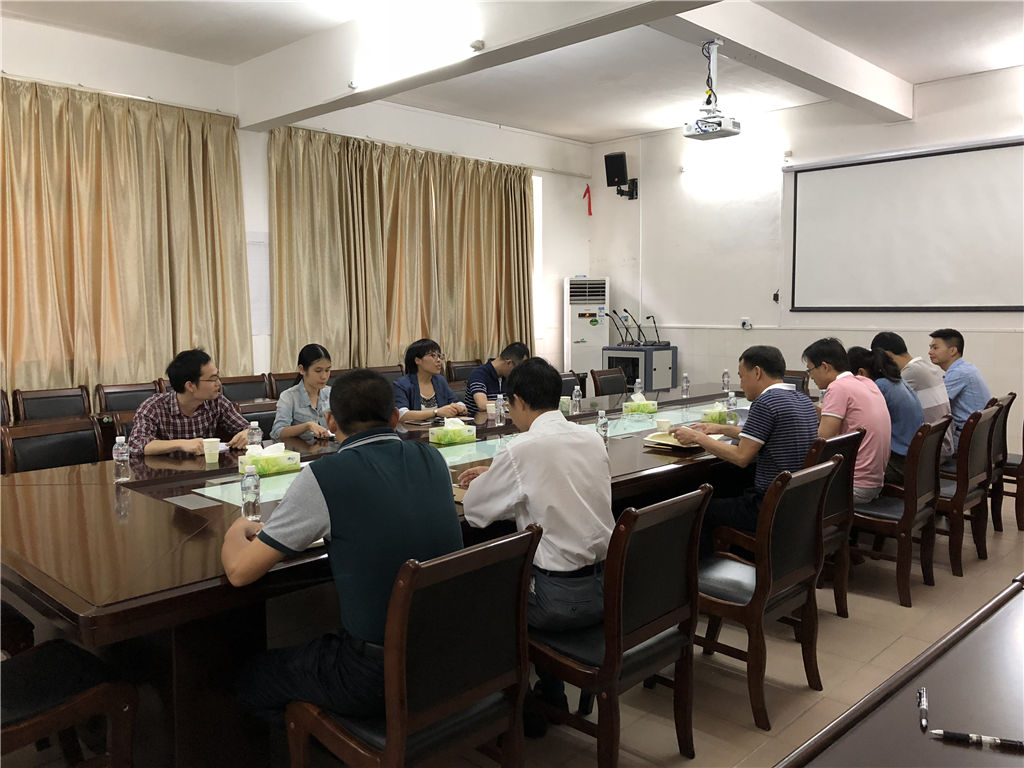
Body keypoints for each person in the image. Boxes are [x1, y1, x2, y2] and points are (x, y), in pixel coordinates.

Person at [221, 369, 463, 723]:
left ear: (331, 421)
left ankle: (332, 741)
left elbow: (240, 573)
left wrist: (236, 528)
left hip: (376, 675)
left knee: (248, 679)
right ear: (394, 417)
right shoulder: (432, 458)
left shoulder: (325, 475)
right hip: (451, 651)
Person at [458, 357, 613, 736]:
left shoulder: (522, 448)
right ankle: (551, 692)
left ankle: (519, 704)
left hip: (555, 603)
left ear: (521, 401)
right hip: (608, 591)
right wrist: (500, 475)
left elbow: (476, 512)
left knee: (481, 597)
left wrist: (492, 479)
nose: (510, 414)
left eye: (509, 405)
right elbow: (552, 482)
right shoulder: (591, 437)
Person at [670, 346, 818, 556]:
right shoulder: (803, 400)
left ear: (757, 372)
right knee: (729, 487)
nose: (740, 384)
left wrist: (697, 438)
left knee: (698, 509)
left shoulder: (766, 402)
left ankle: (705, 571)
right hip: (796, 502)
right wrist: (721, 429)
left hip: (766, 505)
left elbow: (741, 457)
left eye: (741, 377)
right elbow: (767, 433)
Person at [803, 338, 891, 504]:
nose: (811, 376)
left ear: (825, 366)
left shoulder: (838, 387)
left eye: (810, 370)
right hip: (874, 482)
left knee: (786, 491)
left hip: (853, 486)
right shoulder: (866, 382)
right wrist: (806, 405)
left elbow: (822, 442)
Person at [129, 348, 250, 456]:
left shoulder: (217, 402)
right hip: (166, 471)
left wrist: (247, 433)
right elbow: (136, 444)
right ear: (190, 386)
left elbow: (249, 428)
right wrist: (181, 444)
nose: (219, 383)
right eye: (213, 378)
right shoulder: (154, 406)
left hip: (207, 470)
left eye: (217, 376)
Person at [870, 331, 954, 460]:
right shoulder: (923, 366)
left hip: (930, 451)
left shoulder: (910, 373)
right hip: (941, 444)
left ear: (887, 355)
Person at [848, 346, 924, 485]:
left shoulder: (878, 387)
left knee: (841, 470)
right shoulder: (898, 381)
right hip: (914, 460)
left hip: (898, 465)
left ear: (861, 372)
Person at [928, 328, 992, 453]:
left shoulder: (959, 373)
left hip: (967, 440)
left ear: (953, 350)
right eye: (930, 347)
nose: (930, 352)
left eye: (935, 348)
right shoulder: (965, 368)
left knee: (917, 448)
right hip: (977, 437)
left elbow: (936, 404)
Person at [393, 338, 467, 423]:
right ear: (417, 360)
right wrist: (436, 412)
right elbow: (401, 414)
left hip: (440, 429)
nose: (438, 360)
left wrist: (460, 408)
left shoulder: (440, 380)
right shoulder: (401, 384)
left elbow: (457, 402)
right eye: (433, 356)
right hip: (414, 431)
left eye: (439, 356)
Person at [270, 343, 333, 441]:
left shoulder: (332, 393)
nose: (324, 376)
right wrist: (307, 426)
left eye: (327, 370)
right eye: (318, 371)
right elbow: (277, 433)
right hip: (301, 450)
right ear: (302, 369)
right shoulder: (288, 397)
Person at [462, 342, 530, 415]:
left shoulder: (507, 377)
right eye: (517, 369)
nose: (517, 373)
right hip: (480, 421)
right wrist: (512, 404)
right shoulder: (479, 374)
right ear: (509, 363)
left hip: (504, 419)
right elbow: (482, 405)